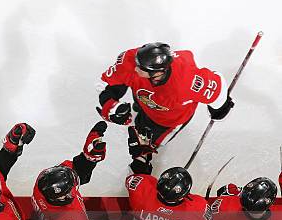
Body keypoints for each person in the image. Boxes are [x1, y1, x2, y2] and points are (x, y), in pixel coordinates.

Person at [97, 42, 234, 172]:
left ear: (157, 73)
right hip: (144, 100)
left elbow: (218, 88)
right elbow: (105, 83)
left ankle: (144, 154)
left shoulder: (186, 81)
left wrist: (220, 107)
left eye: (141, 69)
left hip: (168, 121)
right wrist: (109, 104)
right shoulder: (132, 59)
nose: (135, 68)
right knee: (140, 108)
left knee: (147, 143)